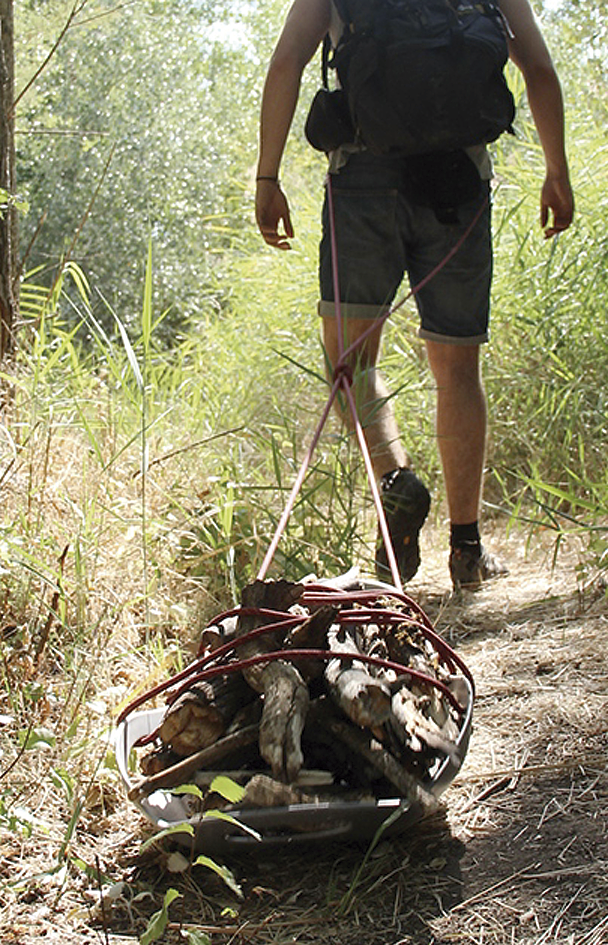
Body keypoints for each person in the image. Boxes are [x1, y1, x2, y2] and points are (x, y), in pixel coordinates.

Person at [254, 0, 574, 590]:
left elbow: (286, 65)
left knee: (350, 364)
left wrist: (268, 178)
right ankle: (466, 549)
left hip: (360, 182)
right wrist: (557, 172)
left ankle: (397, 481)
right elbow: (539, 70)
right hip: (459, 184)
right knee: (457, 367)